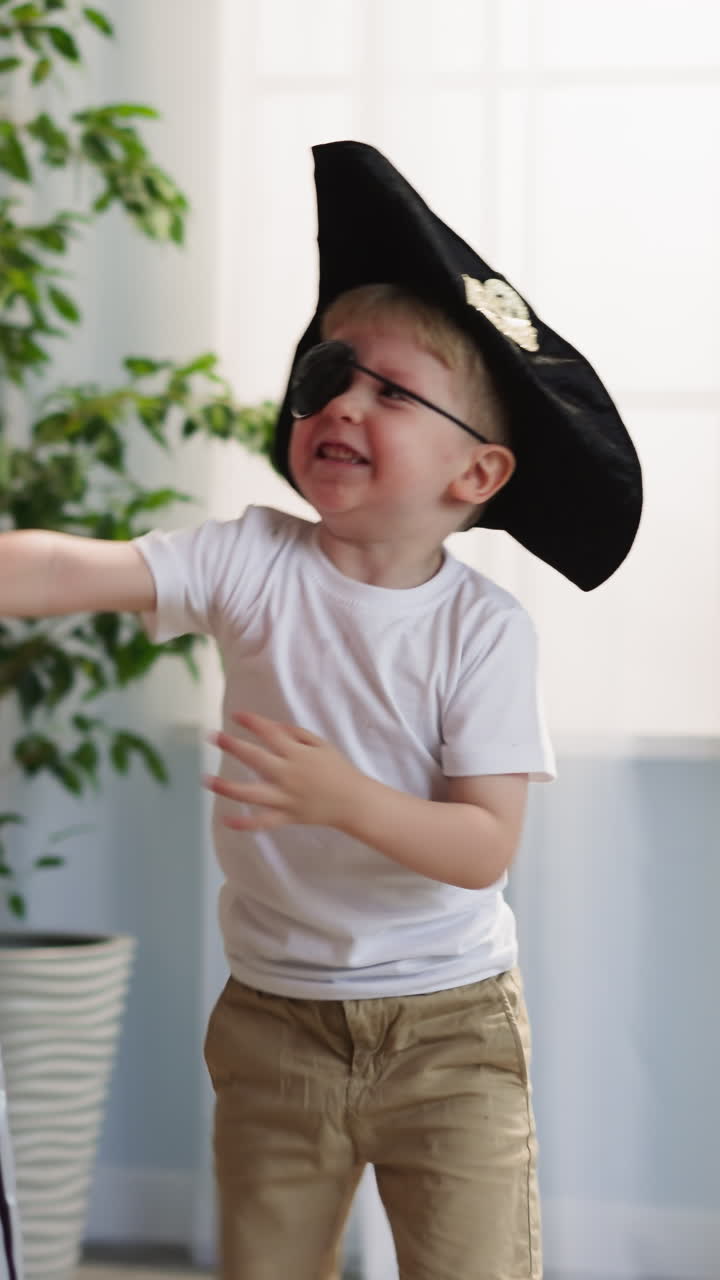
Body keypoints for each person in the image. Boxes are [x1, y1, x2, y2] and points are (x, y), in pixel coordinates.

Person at [0, 141, 642, 1279]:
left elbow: (482, 844)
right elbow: (67, 572)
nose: (341, 401)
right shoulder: (250, 561)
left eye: (390, 391)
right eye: (327, 377)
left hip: (451, 1026)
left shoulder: (483, 631)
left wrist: (342, 796)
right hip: (276, 1019)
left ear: (477, 474)